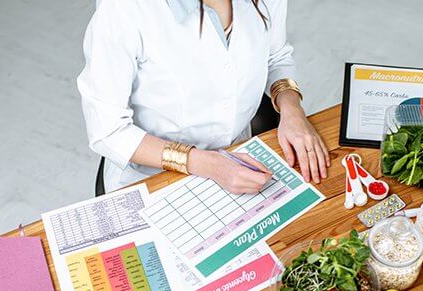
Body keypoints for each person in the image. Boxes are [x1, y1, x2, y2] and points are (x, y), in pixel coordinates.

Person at [77, 0, 330, 194]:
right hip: (153, 177)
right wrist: (208, 164)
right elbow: (108, 130)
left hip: (240, 160)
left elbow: (276, 56)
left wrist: (292, 110)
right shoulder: (125, 8)